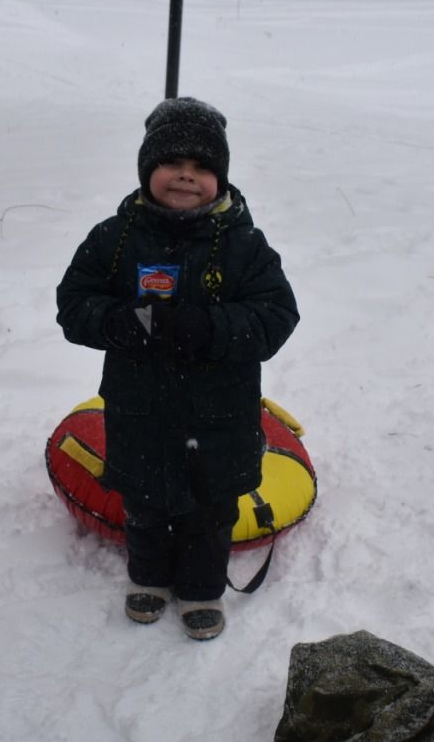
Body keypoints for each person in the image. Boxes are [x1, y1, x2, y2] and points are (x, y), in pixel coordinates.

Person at [56, 97, 299, 640]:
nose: (186, 176)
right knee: (144, 503)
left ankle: (200, 590)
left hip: (220, 417)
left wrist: (204, 328)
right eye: (172, 163)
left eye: (202, 167)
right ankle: (147, 579)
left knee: (211, 513)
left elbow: (276, 317)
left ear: (221, 176)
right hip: (140, 411)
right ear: (147, 170)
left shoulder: (244, 244)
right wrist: (126, 322)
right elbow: (73, 305)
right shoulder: (114, 238)